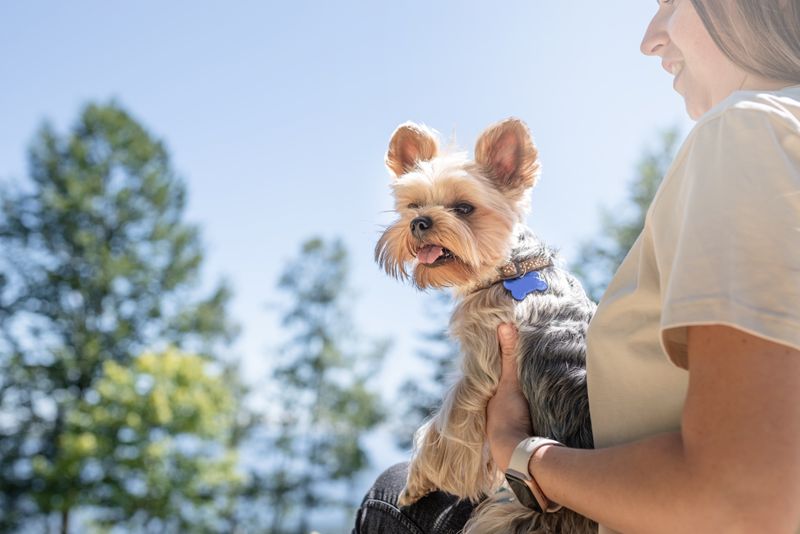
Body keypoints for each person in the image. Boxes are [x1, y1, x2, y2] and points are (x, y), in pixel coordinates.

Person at [353, 1, 800, 532]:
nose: (649, 37)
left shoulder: (750, 127)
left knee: (392, 494)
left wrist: (518, 453)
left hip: (604, 510)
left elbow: (744, 497)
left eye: (672, 3)